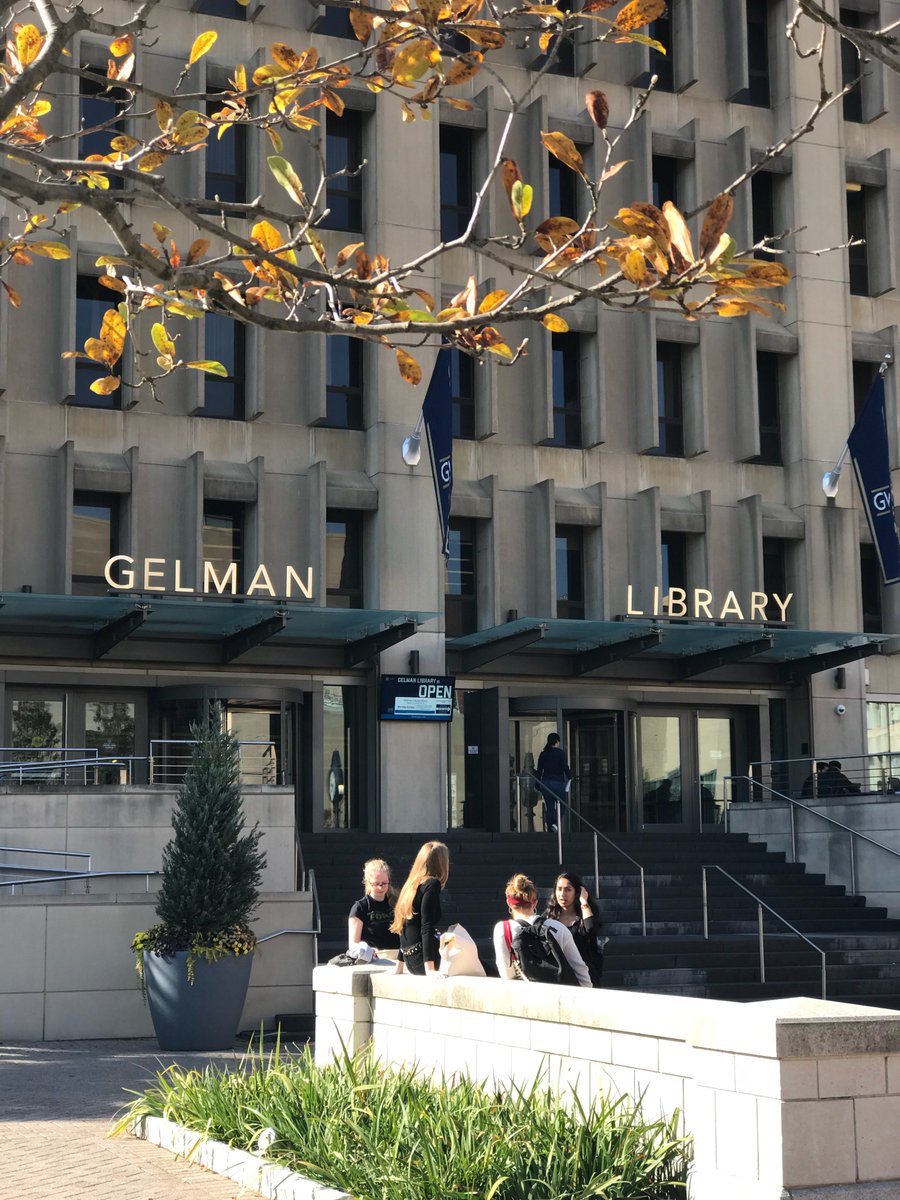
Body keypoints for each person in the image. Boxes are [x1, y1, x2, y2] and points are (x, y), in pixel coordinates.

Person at [493, 873, 591, 987]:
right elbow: (580, 969)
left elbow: (506, 974)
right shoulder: (557, 927)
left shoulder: (503, 929)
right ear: (535, 903)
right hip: (559, 995)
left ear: (508, 903)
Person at [389, 840, 449, 975]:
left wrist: (399, 966)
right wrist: (430, 970)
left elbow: (404, 925)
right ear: (441, 863)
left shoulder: (410, 885)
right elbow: (426, 926)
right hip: (423, 960)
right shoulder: (432, 884)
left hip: (411, 961)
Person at [544, 869, 605, 986]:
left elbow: (591, 929)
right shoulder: (549, 917)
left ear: (577, 892)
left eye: (568, 890)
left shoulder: (585, 914)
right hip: (559, 976)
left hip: (584, 976)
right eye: (559, 889)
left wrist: (583, 902)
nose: (562, 894)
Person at [347, 858, 401, 960]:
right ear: (368, 882)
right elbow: (353, 945)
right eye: (376, 884)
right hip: (374, 960)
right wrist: (368, 950)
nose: (381, 887)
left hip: (397, 958)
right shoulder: (360, 907)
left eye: (384, 883)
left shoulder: (397, 903)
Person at [534, 733, 571, 832]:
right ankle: (555, 823)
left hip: (545, 783)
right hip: (557, 783)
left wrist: (537, 785)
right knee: (563, 805)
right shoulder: (560, 753)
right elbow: (565, 767)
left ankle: (551, 826)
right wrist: (570, 777)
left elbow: (539, 770)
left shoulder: (543, 754)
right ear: (557, 741)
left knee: (549, 807)